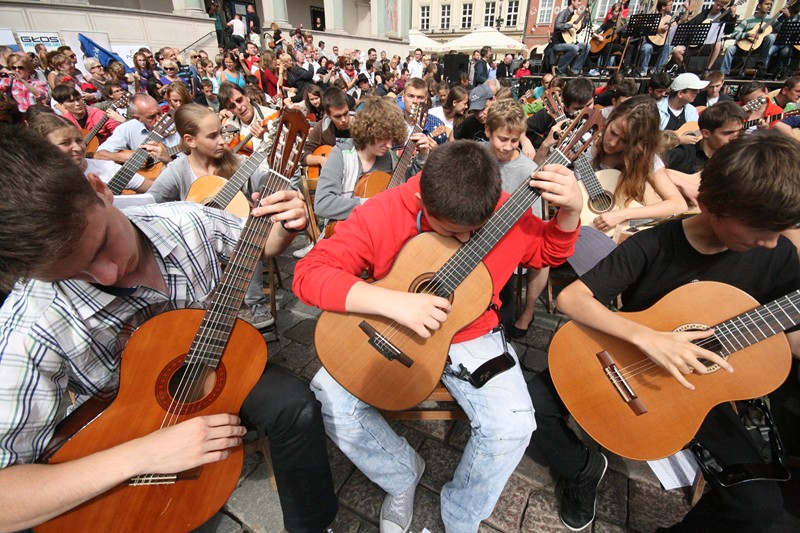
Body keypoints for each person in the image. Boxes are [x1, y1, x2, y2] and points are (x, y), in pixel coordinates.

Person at [0, 125, 339, 533]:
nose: (108, 274)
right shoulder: (31, 326)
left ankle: (313, 525)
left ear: (100, 189)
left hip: (215, 370)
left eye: (103, 243)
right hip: (132, 428)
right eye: (74, 273)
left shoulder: (186, 221)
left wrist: (285, 223)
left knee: (296, 406)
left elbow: (260, 245)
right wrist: (144, 455)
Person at [294, 138, 582, 533]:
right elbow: (308, 273)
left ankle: (461, 516)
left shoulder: (500, 210)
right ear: (422, 201)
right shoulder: (385, 209)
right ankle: (401, 475)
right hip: (392, 323)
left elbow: (548, 253)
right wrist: (395, 303)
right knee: (329, 401)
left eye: (474, 232)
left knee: (513, 427)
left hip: (473, 332)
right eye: (453, 231)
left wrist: (571, 212)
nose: (465, 241)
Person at [534, 132, 800, 532]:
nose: (770, 241)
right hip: (626, 361)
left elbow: (791, 337)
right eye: (759, 229)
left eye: (779, 230)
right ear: (711, 205)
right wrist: (651, 339)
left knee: (758, 507)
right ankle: (582, 468)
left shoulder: (777, 256)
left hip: (703, 391)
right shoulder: (655, 243)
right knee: (528, 408)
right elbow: (572, 298)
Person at [146, 104, 275, 328]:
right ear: (190, 140)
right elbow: (149, 206)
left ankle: (255, 303)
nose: (223, 141)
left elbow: (264, 180)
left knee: (246, 235)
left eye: (222, 133)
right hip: (196, 249)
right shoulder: (178, 170)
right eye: (213, 136)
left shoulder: (235, 162)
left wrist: (273, 170)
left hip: (234, 244)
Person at [537, 95, 687, 235]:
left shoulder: (644, 158)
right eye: (613, 132)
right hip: (579, 227)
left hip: (619, 232)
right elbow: (536, 176)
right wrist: (544, 146)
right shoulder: (585, 143)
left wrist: (622, 215)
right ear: (610, 119)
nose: (613, 143)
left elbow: (678, 204)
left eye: (625, 141)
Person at [483, 99, 547, 339]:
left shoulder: (527, 170)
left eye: (514, 140)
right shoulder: (476, 154)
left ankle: (524, 313)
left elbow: (534, 222)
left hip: (508, 241)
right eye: (502, 139)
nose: (507, 147)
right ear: (488, 131)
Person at [314, 97, 416, 233]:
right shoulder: (341, 154)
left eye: (392, 139)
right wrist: (371, 204)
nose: (389, 145)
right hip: (344, 233)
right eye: (384, 138)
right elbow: (322, 203)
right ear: (369, 131)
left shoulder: (390, 158)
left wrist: (422, 156)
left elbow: (407, 191)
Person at [28, 113, 151, 194]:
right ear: (43, 147)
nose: (77, 148)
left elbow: (153, 189)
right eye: (65, 143)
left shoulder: (106, 167)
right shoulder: (36, 185)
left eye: (79, 140)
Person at [664, 101, 746, 205]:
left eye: (739, 131)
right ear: (705, 133)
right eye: (728, 133)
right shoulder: (683, 154)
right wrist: (684, 184)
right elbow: (647, 167)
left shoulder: (740, 160)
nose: (735, 137)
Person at [94, 94, 180, 165]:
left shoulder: (176, 124)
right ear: (137, 118)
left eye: (159, 113)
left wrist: (168, 160)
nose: (158, 119)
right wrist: (122, 157)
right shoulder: (127, 129)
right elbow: (98, 155)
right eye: (151, 117)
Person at [526, 77, 594, 150]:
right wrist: (528, 143)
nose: (586, 112)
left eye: (589, 105)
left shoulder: (597, 120)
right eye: (578, 109)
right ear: (566, 106)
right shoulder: (551, 113)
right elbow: (522, 129)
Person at [51, 84, 121, 146]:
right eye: (71, 101)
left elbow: (119, 131)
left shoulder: (98, 114)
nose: (77, 104)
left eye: (78, 99)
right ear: (62, 105)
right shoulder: (65, 122)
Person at [720, 0, 775, 75]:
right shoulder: (748, 20)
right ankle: (724, 73)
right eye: (766, 4)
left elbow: (781, 30)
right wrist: (748, 35)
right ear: (759, 6)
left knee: (771, 37)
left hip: (759, 48)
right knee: (730, 49)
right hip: (744, 46)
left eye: (770, 4)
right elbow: (735, 33)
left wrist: (787, 17)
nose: (769, 6)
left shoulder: (772, 20)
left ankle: (761, 64)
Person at [657, 73, 707, 138]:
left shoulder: (691, 110)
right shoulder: (657, 109)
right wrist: (679, 139)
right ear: (680, 93)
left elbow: (698, 132)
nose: (697, 92)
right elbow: (652, 136)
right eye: (694, 90)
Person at [550, 0, 591, 76]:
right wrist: (571, 25)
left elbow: (578, 30)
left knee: (586, 46)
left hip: (569, 42)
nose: (580, 3)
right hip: (558, 43)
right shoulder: (564, 13)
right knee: (575, 48)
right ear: (572, 1)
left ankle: (575, 69)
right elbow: (557, 25)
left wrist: (586, 17)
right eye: (578, 1)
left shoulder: (574, 15)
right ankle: (559, 69)